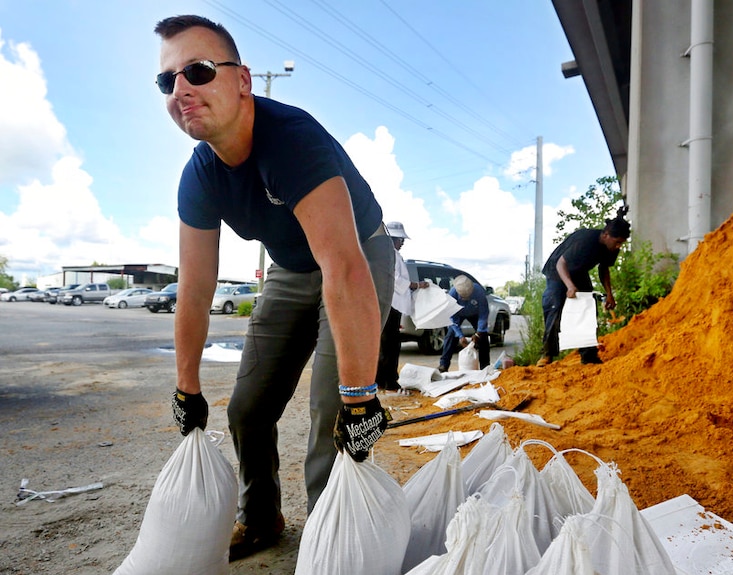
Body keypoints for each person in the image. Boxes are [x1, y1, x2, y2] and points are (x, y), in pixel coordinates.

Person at [154, 15, 395, 561]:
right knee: (247, 408)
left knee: (333, 414)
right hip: (290, 269)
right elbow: (193, 290)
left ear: (242, 81)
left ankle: (334, 548)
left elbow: (343, 265)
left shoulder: (291, 141)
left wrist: (360, 398)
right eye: (167, 80)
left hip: (359, 253)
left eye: (197, 70)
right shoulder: (200, 176)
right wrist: (186, 388)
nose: (182, 89)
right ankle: (260, 518)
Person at [537, 206, 630, 367]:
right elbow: (561, 263)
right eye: (617, 242)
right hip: (557, 271)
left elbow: (604, 268)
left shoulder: (612, 247)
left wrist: (609, 293)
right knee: (555, 306)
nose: (618, 247)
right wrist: (570, 286)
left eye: (621, 243)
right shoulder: (586, 240)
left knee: (587, 308)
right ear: (606, 235)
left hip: (579, 272)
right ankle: (547, 355)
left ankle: (588, 356)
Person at [376, 222, 428, 392]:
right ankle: (387, 380)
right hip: (391, 305)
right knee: (389, 344)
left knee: (390, 343)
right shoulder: (388, 255)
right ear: (392, 239)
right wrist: (416, 285)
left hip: (395, 305)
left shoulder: (394, 255)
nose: (402, 242)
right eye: (400, 239)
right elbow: (396, 280)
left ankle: (385, 378)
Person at [438, 275, 490, 372]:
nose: (465, 299)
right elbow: (452, 317)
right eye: (463, 297)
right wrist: (460, 336)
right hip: (458, 314)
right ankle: (443, 365)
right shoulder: (452, 294)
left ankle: (485, 367)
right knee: (450, 335)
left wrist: (478, 333)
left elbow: (484, 313)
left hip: (475, 314)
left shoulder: (479, 292)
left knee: (483, 337)